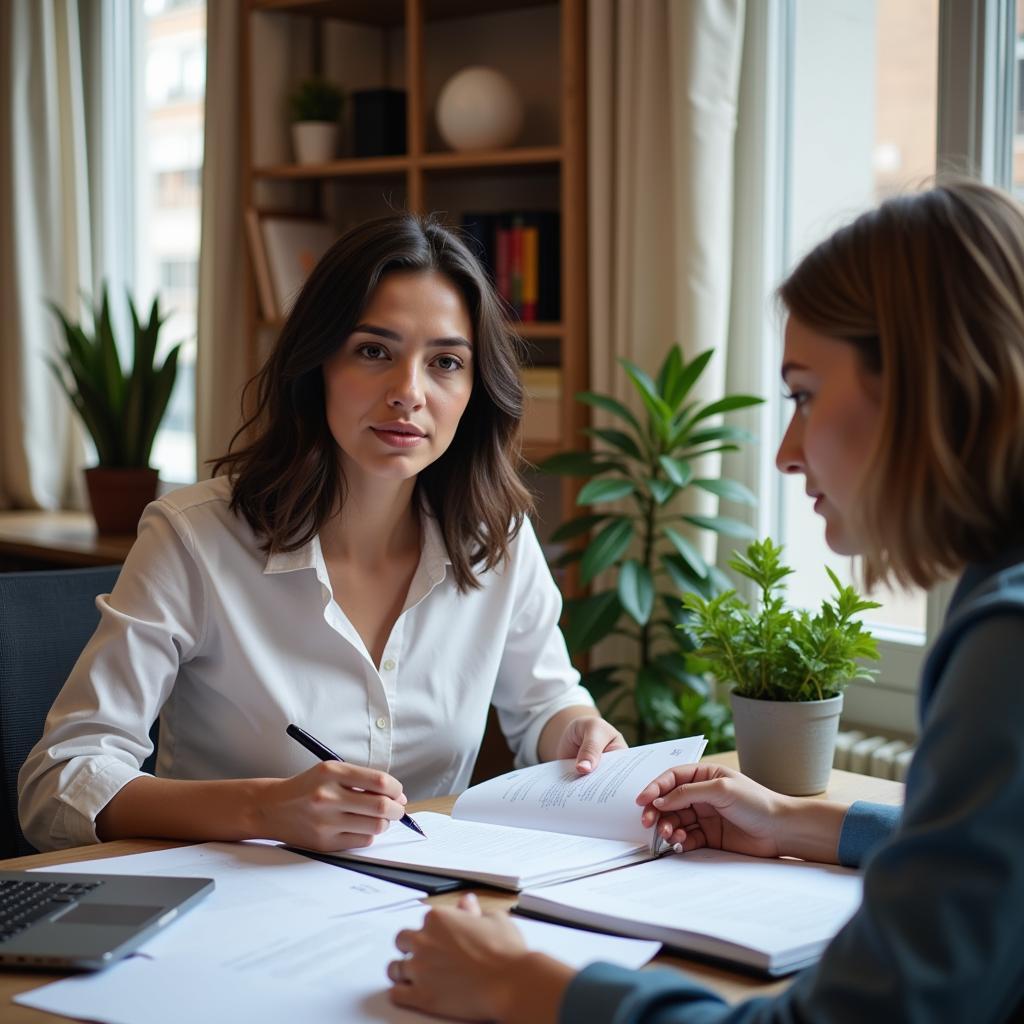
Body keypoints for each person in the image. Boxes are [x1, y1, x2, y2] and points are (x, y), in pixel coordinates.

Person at [385, 180, 1024, 1023]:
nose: (786, 454)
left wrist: (531, 985)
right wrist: (806, 825)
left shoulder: (1005, 640)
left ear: (920, 386)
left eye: (802, 394)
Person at [19, 214, 625, 853]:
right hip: (229, 908)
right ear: (319, 365)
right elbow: (58, 783)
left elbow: (546, 705)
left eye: (446, 361)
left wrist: (579, 731)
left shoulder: (494, 536)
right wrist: (262, 808)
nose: (408, 393)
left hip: (425, 905)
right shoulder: (193, 538)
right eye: (373, 351)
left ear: (475, 389)